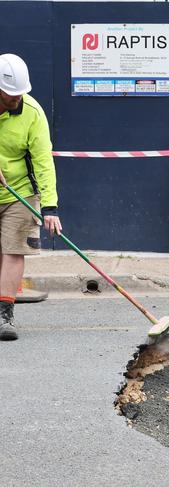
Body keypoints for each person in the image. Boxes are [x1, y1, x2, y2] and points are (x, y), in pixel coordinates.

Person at [0, 54, 62, 341]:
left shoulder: (33, 113)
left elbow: (43, 161)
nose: (16, 99)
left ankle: (4, 314)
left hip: (20, 191)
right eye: (10, 94)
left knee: (14, 250)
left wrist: (50, 207)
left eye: (19, 94)